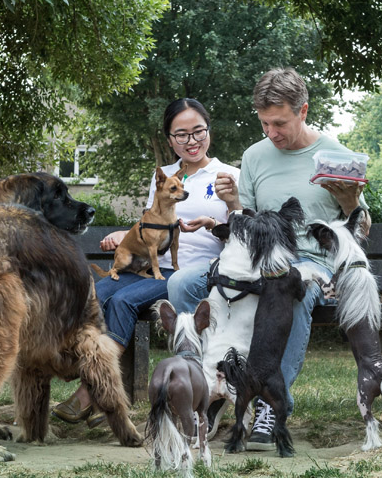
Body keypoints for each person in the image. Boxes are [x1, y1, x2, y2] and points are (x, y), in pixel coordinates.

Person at [166, 67, 370, 450]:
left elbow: (361, 228)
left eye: (279, 123)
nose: (271, 133)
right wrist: (233, 203)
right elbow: (247, 220)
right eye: (264, 124)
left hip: (309, 262)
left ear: (303, 111)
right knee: (181, 283)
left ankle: (269, 404)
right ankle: (207, 385)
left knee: (295, 294)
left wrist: (348, 200)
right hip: (255, 258)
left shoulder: (335, 156)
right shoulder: (255, 156)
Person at [51, 98, 240, 427]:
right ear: (169, 139)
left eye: (198, 132)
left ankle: (92, 392)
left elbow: (242, 233)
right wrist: (126, 234)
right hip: (148, 267)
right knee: (96, 293)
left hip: (189, 273)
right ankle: (80, 371)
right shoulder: (165, 175)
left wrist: (224, 212)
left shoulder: (227, 176)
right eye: (181, 135)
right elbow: (152, 223)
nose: (191, 141)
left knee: (123, 300)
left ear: (209, 131)